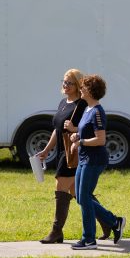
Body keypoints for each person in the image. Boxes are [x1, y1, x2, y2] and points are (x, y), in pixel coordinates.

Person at [69, 74, 126, 250]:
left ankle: (89, 239)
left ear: (91, 91)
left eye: (84, 86)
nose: (80, 89)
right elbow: (86, 131)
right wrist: (76, 135)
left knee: (84, 197)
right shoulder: (87, 109)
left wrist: (81, 142)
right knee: (80, 197)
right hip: (85, 158)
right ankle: (114, 221)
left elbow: (100, 140)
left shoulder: (97, 112)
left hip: (94, 160)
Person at [35, 69, 90, 244]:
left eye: (70, 83)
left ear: (78, 85)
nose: (65, 85)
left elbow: (87, 129)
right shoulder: (63, 102)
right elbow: (57, 130)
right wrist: (46, 150)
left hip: (73, 152)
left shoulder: (81, 105)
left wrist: (75, 130)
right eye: (64, 82)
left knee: (60, 187)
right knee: (78, 193)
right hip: (60, 151)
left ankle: (56, 231)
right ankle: (109, 222)